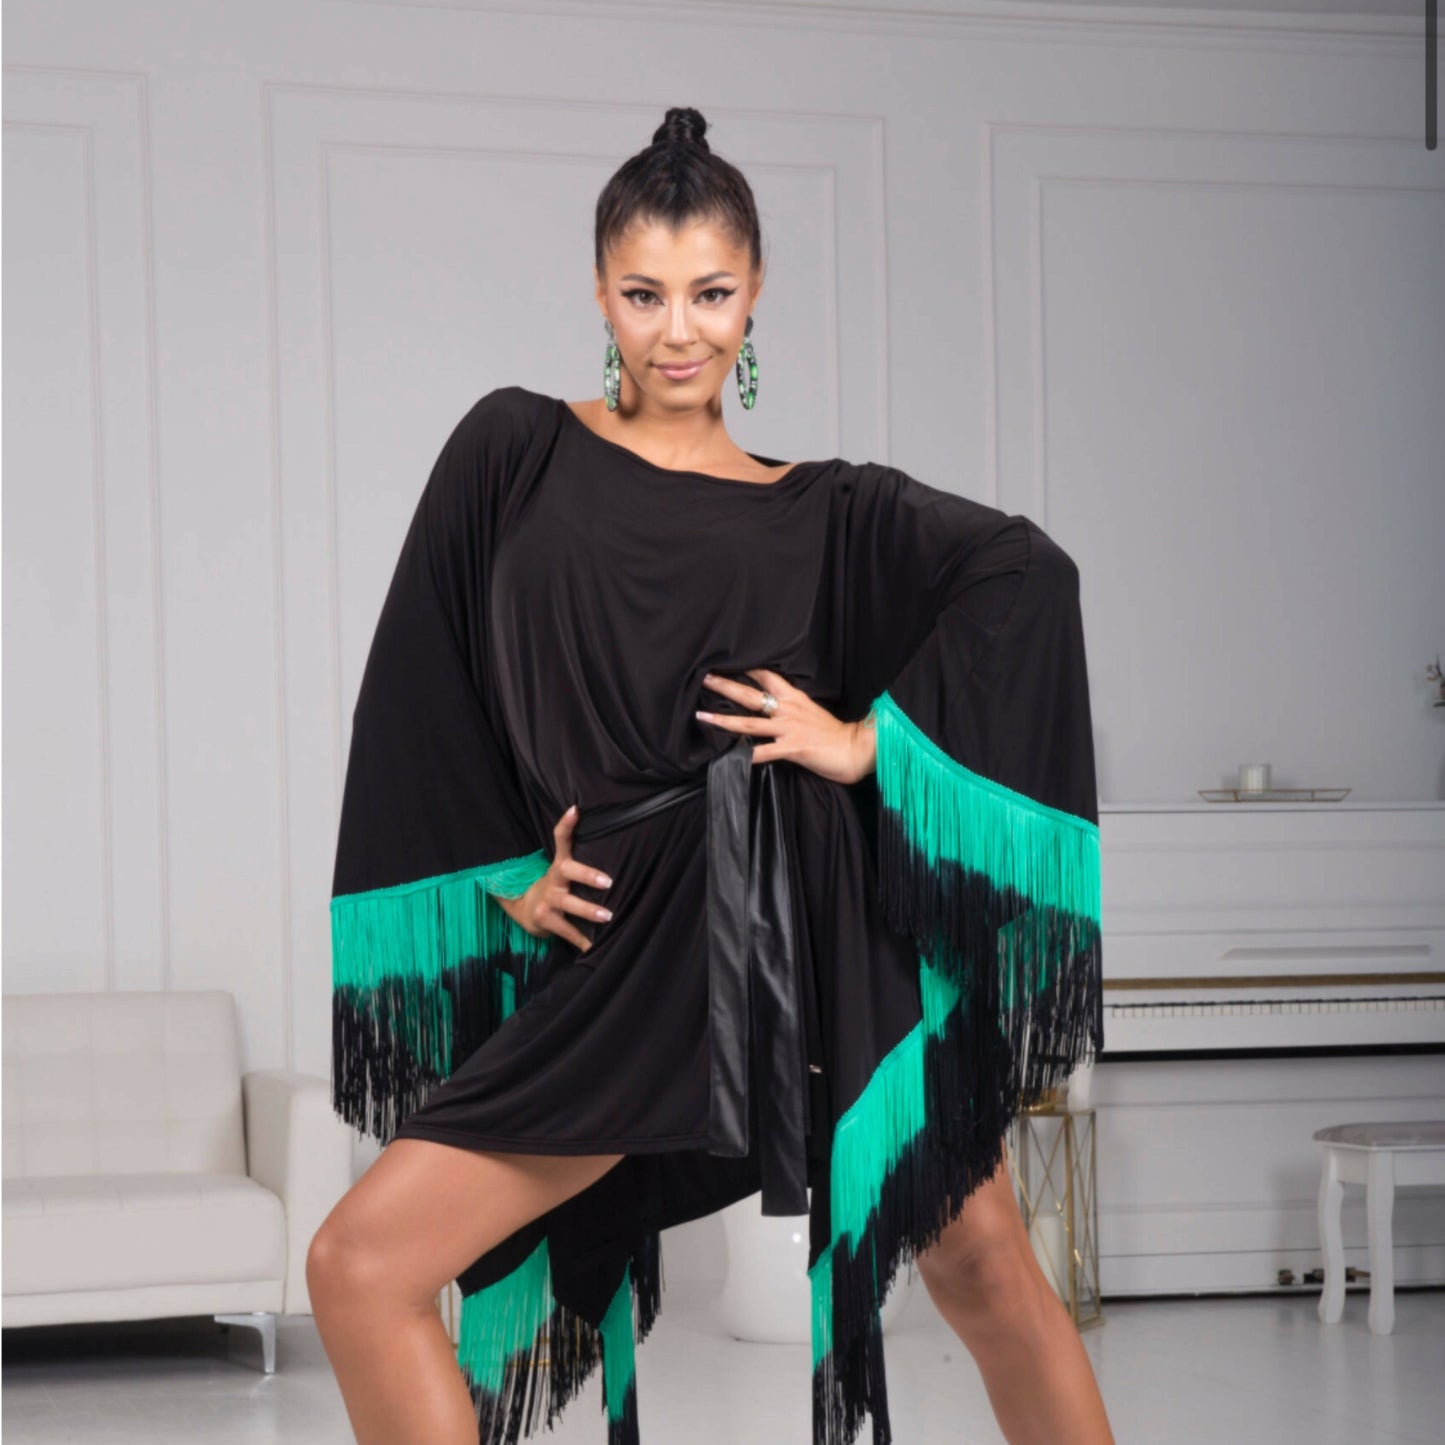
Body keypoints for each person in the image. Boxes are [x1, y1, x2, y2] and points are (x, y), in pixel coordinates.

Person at [307, 104, 1115, 1445]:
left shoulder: (827, 511)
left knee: (981, 1265)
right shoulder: (512, 450)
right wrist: (512, 873)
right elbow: (422, 686)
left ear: (755, 293)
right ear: (598, 292)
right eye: (644, 294)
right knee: (360, 1266)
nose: (677, 331)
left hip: (806, 918)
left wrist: (865, 742)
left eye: (710, 293)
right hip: (632, 947)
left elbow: (1026, 574)